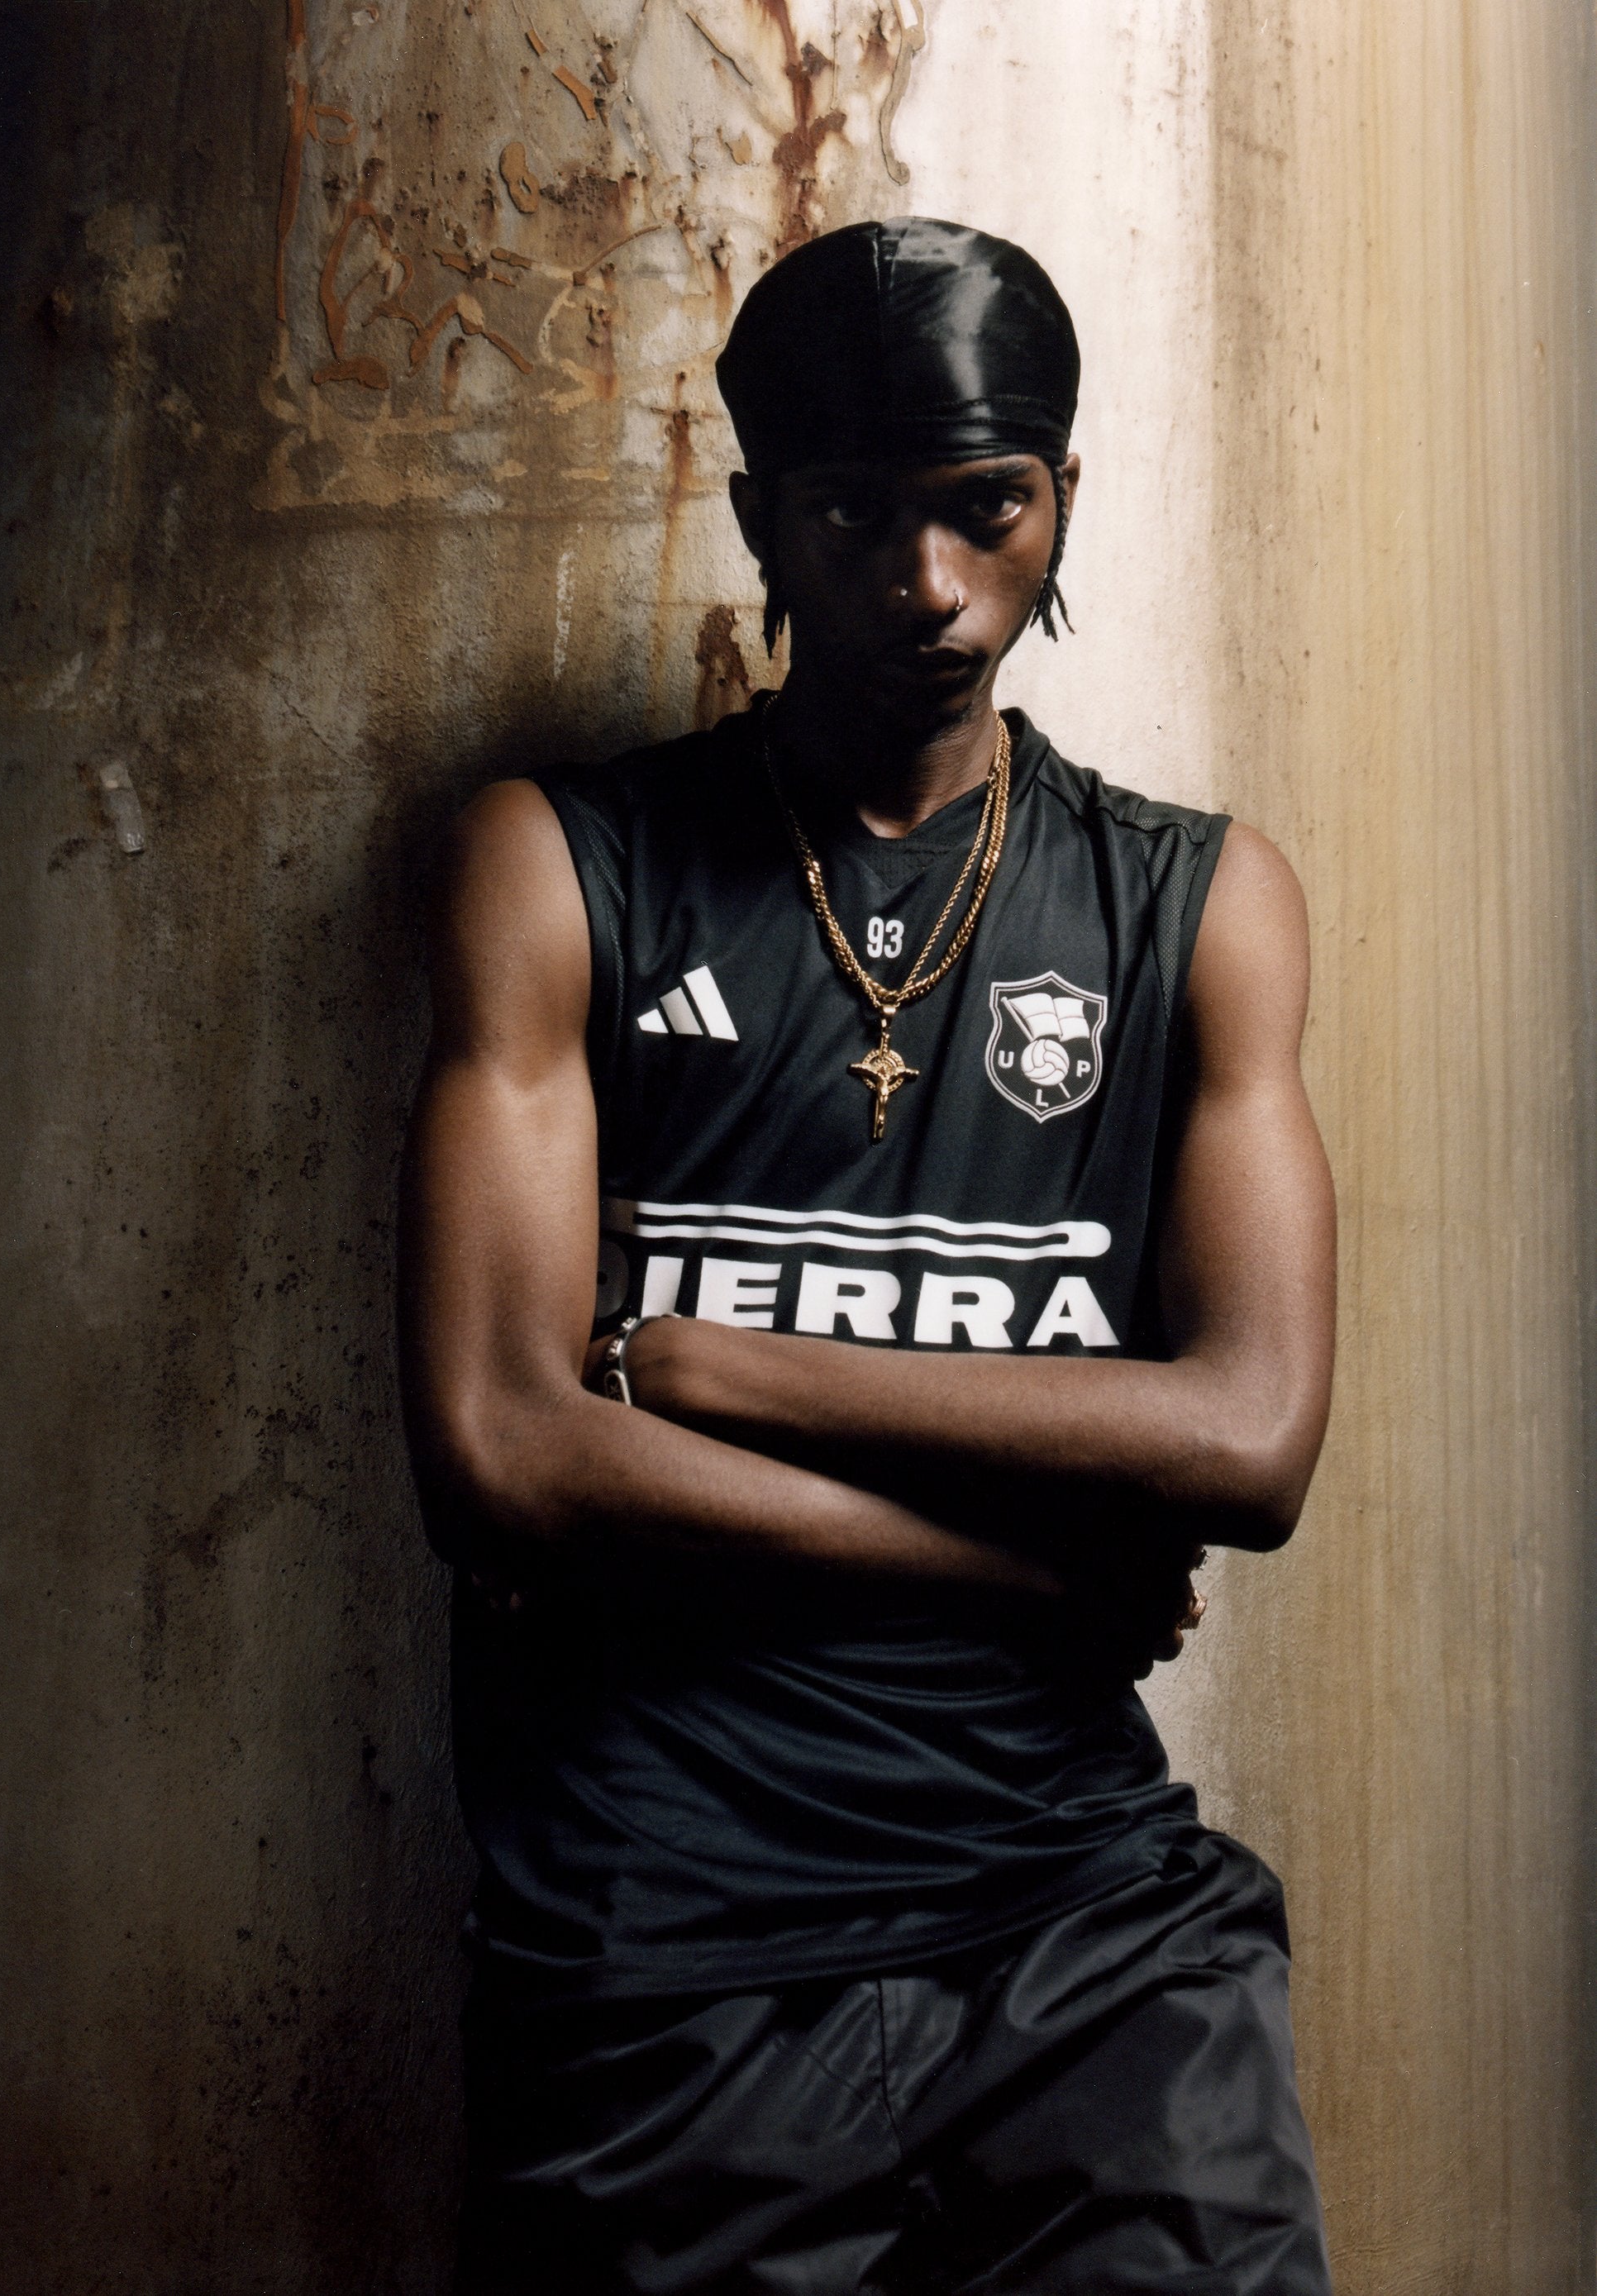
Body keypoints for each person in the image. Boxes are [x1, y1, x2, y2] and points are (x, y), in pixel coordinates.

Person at [401, 217, 1336, 2295]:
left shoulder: (1198, 902)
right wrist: (1015, 1568)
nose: (925, 584)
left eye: (983, 509)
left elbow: (1251, 1440)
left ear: (1059, 498)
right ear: (761, 519)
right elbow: (501, 1452)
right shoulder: (561, 863)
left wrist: (723, 1368)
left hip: (1086, 1917)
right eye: (850, 515)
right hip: (664, 1932)